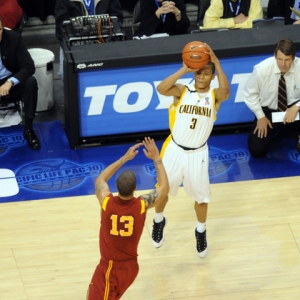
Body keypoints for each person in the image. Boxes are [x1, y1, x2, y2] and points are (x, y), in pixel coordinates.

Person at [152, 44, 230, 258]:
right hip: (174, 150)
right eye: (199, 72)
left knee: (202, 199)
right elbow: (161, 88)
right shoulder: (182, 91)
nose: (202, 76)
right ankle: (159, 221)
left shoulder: (214, 97)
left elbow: (226, 91)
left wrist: (217, 62)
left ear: (212, 76)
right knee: (162, 191)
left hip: (198, 154)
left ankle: (201, 231)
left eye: (207, 73)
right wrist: (183, 69)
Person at [86, 137, 169, 300]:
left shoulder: (106, 201)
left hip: (110, 268)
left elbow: (100, 179)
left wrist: (124, 158)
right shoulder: (141, 205)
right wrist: (157, 158)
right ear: (135, 188)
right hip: (131, 268)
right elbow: (164, 188)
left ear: (116, 186)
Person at [243, 38, 300, 158]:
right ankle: (281, 131)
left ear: (293, 58)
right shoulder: (261, 69)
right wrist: (260, 116)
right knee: (257, 150)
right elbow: (249, 93)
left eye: (287, 60)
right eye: (279, 59)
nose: (283, 64)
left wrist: (297, 106)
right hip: (270, 112)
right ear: (275, 56)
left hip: (295, 110)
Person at [54, 0, 124, 80]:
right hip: (74, 44)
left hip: (104, 41)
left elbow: (117, 18)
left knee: (114, 72)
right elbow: (61, 24)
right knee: (65, 75)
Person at [0, 17, 40, 150]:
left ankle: (29, 129)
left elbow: (29, 66)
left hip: (9, 80)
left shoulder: (13, 38)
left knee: (30, 82)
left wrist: (10, 82)